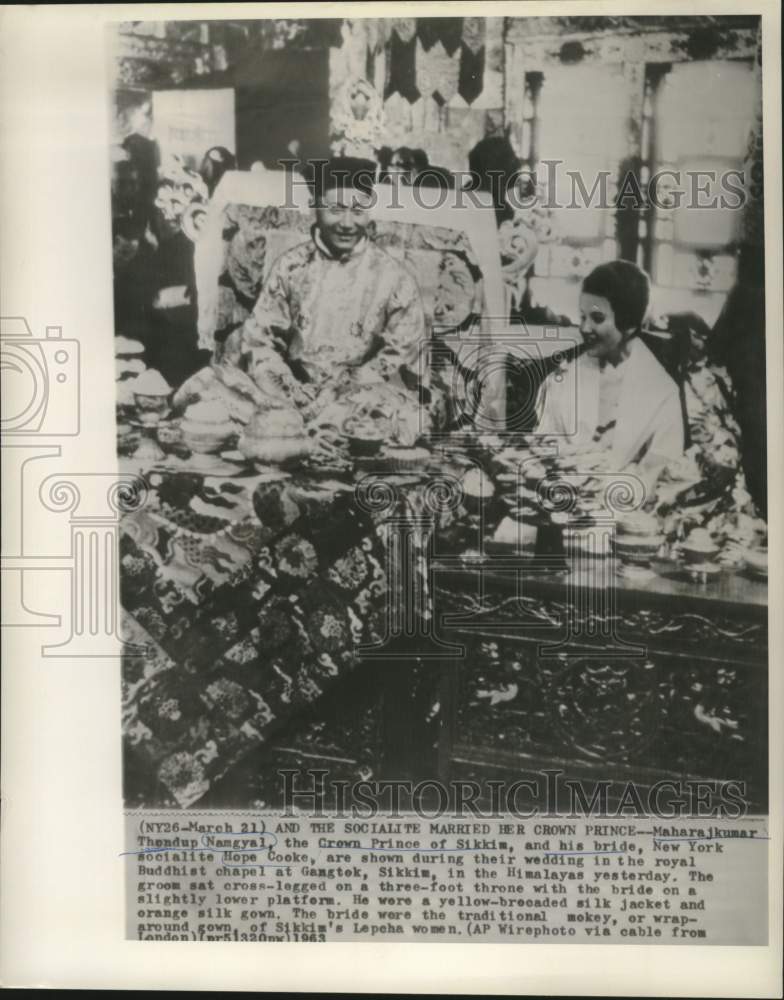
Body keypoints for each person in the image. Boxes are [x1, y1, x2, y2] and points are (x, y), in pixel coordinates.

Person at [236, 157, 429, 437]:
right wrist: (289, 388)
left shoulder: (394, 277)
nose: (347, 223)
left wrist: (341, 391)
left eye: (358, 211)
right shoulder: (290, 267)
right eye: (336, 210)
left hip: (361, 396)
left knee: (408, 419)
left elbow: (400, 353)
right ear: (316, 207)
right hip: (292, 392)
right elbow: (259, 341)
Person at [537, 260, 684, 498]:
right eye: (582, 316)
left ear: (628, 323)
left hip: (627, 522)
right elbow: (543, 447)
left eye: (597, 318)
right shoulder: (562, 378)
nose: (584, 328)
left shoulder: (662, 391)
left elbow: (662, 474)